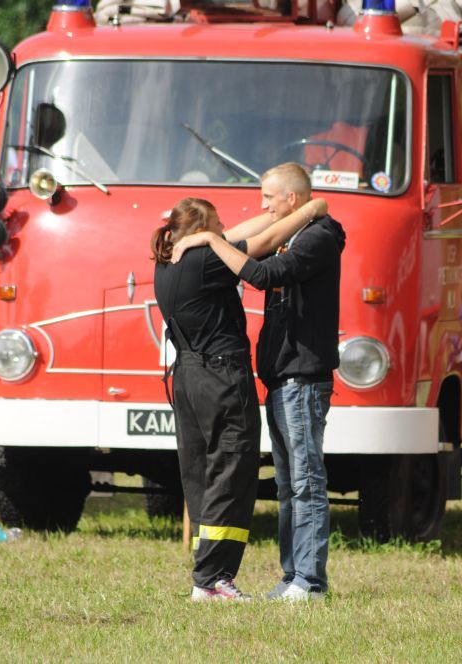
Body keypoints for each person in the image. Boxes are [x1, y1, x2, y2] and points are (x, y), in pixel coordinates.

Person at [171, 163, 346, 602]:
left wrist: (210, 239)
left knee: (306, 481)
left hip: (303, 376)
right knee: (288, 485)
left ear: (292, 199)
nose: (263, 206)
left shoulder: (319, 236)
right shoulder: (294, 231)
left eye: (269, 197)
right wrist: (204, 239)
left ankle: (310, 581)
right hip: (281, 375)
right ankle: (292, 576)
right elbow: (249, 239)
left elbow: (262, 274)